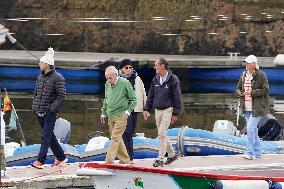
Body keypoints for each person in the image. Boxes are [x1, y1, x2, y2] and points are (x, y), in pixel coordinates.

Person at [31, 47, 68, 168]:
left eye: (41, 62)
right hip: (39, 110)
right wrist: (34, 106)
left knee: (45, 135)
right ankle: (61, 157)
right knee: (49, 135)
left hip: (50, 112)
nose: (39, 64)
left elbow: (61, 95)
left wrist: (52, 108)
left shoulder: (58, 77)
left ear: (47, 64)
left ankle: (40, 161)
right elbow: (36, 93)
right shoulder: (40, 77)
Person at [143, 58, 182, 167]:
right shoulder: (155, 79)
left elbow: (177, 97)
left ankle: (160, 158)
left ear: (163, 66)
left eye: (156, 65)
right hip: (157, 110)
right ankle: (172, 155)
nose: (154, 67)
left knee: (161, 133)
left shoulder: (173, 79)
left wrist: (175, 114)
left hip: (168, 110)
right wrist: (146, 109)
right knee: (162, 134)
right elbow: (150, 95)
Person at [100, 66, 137, 164]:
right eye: (106, 78)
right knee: (117, 139)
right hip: (110, 115)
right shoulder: (107, 84)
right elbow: (106, 99)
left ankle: (108, 161)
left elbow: (134, 99)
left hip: (122, 115)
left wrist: (127, 112)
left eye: (110, 78)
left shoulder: (124, 83)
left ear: (116, 75)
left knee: (115, 138)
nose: (108, 80)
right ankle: (125, 160)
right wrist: (103, 113)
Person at [236, 55, 270, 160]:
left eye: (248, 63)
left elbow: (265, 90)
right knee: (253, 130)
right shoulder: (243, 75)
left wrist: (252, 92)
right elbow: (238, 87)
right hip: (246, 107)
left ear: (254, 64)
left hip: (258, 107)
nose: (246, 65)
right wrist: (238, 92)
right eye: (246, 63)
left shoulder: (261, 75)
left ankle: (249, 153)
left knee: (250, 129)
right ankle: (258, 153)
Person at [118, 59, 147, 163]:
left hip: (135, 109)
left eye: (130, 67)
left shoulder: (137, 78)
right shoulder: (117, 79)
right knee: (125, 132)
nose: (129, 69)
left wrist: (146, 108)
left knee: (129, 132)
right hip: (123, 110)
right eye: (126, 67)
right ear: (121, 69)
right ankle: (128, 157)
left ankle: (129, 157)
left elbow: (143, 93)